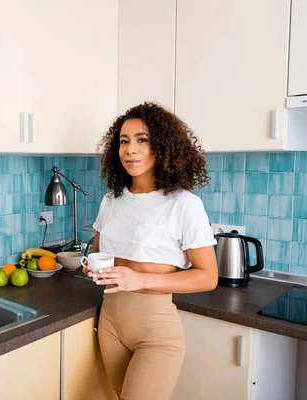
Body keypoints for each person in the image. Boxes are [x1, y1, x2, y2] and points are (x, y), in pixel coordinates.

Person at [83, 102, 218, 400]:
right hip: (110, 323)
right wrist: (92, 267)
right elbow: (100, 253)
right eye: (124, 141)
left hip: (156, 332)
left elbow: (208, 277)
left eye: (142, 140)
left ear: (164, 146)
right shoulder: (111, 200)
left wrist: (140, 280)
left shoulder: (184, 204)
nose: (130, 149)